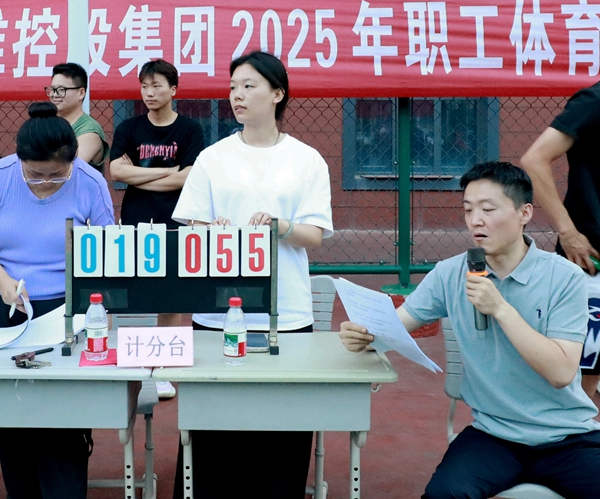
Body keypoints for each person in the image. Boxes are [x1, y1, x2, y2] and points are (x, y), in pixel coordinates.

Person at [340, 161, 600, 499]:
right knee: (444, 494)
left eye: (488, 209)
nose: (475, 220)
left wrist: (501, 309)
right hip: (493, 436)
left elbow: (561, 373)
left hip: (567, 437)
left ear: (524, 213)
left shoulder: (564, 278)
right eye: (468, 210)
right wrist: (364, 335)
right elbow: (394, 327)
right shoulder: (450, 273)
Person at [171, 51, 334, 499]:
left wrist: (280, 226)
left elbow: (314, 235)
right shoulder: (212, 158)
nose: (237, 95)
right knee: (211, 425)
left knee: (282, 426)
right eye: (233, 87)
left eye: (249, 86)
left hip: (286, 312)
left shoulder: (306, 160)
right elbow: (191, 225)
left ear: (277, 94)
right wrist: (211, 230)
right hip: (217, 310)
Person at [0, 102, 114, 499]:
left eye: (57, 175)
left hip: (67, 310)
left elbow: (108, 248)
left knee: (63, 415)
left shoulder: (89, 181)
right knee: (12, 410)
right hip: (6, 304)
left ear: (73, 160)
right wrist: (3, 281)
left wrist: (99, 305)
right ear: (19, 159)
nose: (46, 183)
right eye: (35, 174)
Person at [109, 58, 205, 398]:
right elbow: (117, 172)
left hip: (175, 221)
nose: (149, 92)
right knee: (132, 292)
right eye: (144, 86)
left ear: (173, 90)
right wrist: (167, 172)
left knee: (169, 296)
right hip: (136, 220)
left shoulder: (190, 130)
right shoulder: (129, 127)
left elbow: (189, 177)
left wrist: (139, 174)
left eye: (156, 86)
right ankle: (130, 361)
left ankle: (163, 369)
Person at [520, 82, 600, 398]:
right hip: (590, 260)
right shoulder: (594, 101)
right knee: (579, 378)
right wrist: (567, 231)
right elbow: (534, 159)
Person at [47, 62, 110, 172]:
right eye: (52, 89)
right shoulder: (47, 123)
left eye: (61, 89)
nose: (54, 94)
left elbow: (65, 169)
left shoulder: (90, 130)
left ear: (81, 93)